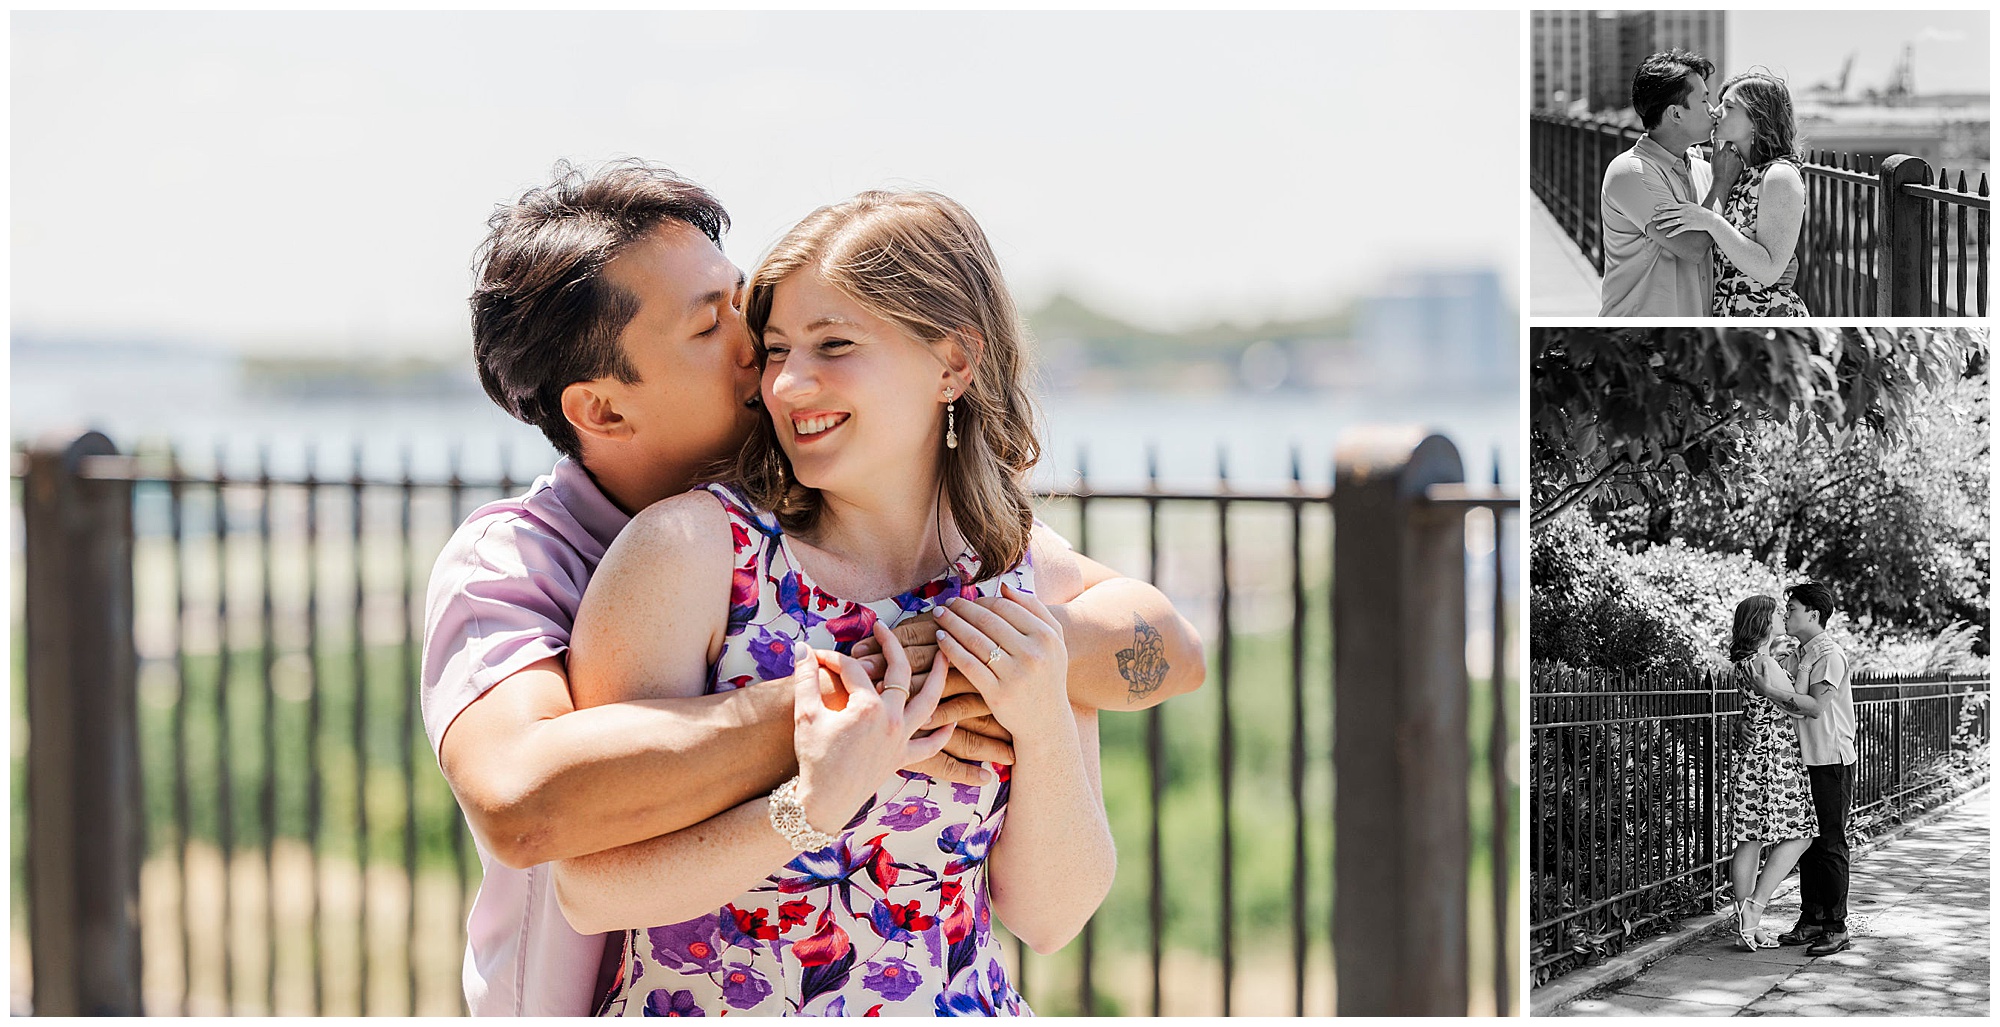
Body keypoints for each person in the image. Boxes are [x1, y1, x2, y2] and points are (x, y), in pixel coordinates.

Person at [422, 162, 1205, 1016]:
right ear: (603, 410)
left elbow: (1163, 650)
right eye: (710, 328)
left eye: (741, 303)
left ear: (954, 364)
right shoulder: (566, 557)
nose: (764, 358)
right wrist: (853, 702)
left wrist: (1020, 671)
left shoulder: (994, 574)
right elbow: (526, 804)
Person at [552, 190, 1114, 1016]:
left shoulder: (1022, 577)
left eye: (834, 344)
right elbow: (588, 889)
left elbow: (1051, 918)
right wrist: (808, 810)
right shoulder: (691, 556)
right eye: (775, 349)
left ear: (954, 362)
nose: (786, 383)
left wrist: (1043, 720)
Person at [1651, 71, 1809, 315]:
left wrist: (1712, 222)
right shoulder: (1742, 173)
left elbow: (1769, 270)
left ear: (1758, 119)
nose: (1715, 111)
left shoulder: (1779, 175)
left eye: (1729, 106)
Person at [1720, 594, 1820, 951]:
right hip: (1775, 756)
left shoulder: (1744, 664)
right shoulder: (1767, 664)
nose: (1781, 616)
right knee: (1802, 834)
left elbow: (1755, 707)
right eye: (1775, 613)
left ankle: (1747, 924)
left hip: (1751, 755)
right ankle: (1754, 909)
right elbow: (1797, 709)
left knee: (1748, 840)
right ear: (1763, 623)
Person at [1597, 49, 1718, 316]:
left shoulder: (1702, 168)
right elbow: (1692, 246)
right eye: (1704, 101)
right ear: (1675, 114)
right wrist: (1723, 181)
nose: (1714, 111)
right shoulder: (1630, 171)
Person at [1775, 582, 1856, 956]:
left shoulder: (1830, 655)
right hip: (1802, 758)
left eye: (1791, 608)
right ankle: (1811, 920)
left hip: (1830, 760)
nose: (1786, 614)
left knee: (1830, 844)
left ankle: (1836, 927)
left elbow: (1813, 706)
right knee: (1805, 841)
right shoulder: (1798, 654)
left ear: (1813, 614)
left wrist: (1771, 690)